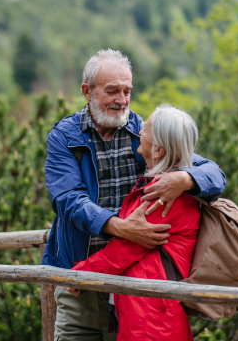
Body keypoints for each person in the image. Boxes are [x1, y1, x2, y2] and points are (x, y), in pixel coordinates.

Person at [42, 49, 226, 341]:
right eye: (112, 90)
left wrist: (183, 177)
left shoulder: (145, 131)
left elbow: (213, 173)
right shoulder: (64, 137)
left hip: (131, 285)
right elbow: (68, 200)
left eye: (127, 90)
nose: (122, 100)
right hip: (80, 279)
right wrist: (122, 228)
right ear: (87, 91)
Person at [70, 105, 201, 340]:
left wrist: (82, 273)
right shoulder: (161, 185)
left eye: (147, 129)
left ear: (159, 149)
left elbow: (126, 248)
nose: (140, 131)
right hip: (150, 309)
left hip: (152, 315)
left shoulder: (165, 197)